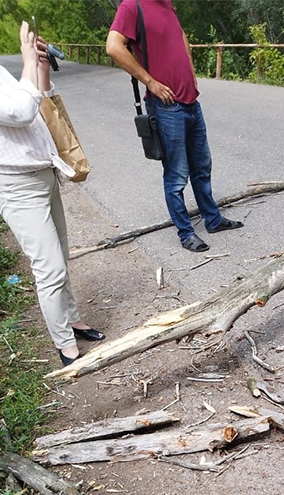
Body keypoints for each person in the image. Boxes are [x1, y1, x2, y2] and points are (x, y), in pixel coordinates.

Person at [0, 21, 103, 366]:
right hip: (16, 187)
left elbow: (36, 106)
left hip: (42, 175)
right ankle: (63, 343)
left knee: (61, 255)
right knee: (49, 268)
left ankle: (72, 320)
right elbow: (18, 111)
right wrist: (28, 59)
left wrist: (41, 70)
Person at [105, 0, 242, 253]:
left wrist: (190, 69)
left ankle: (212, 220)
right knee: (177, 174)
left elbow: (180, 34)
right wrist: (151, 82)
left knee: (202, 166)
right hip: (166, 107)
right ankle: (186, 232)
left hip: (191, 101)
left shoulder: (167, 4)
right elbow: (113, 47)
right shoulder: (132, 6)